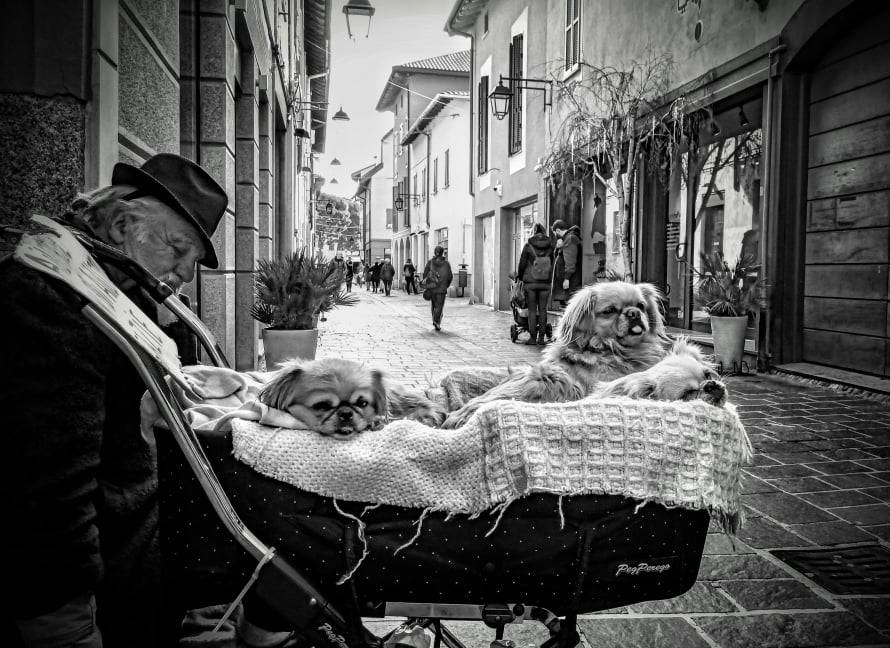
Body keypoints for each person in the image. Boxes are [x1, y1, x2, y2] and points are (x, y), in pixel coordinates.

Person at [0, 153, 227, 648]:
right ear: (124, 225)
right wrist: (62, 616)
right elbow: (49, 474)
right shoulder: (50, 296)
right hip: (92, 575)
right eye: (178, 249)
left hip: (133, 546)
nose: (185, 274)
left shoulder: (116, 289)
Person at [517, 223, 554, 345]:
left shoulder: (528, 246)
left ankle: (533, 338)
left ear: (533, 232)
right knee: (543, 310)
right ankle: (541, 338)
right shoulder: (550, 246)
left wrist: (520, 276)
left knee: (532, 310)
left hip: (531, 283)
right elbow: (552, 264)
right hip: (545, 283)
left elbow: (522, 264)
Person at [551, 219, 583, 304]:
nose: (555, 235)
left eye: (554, 233)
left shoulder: (570, 238)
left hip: (571, 282)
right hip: (569, 281)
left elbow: (570, 260)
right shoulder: (567, 238)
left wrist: (566, 278)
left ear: (557, 230)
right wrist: (558, 247)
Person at [422, 246, 453, 331]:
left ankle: (435, 320)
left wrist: (428, 283)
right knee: (439, 305)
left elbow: (425, 274)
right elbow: (450, 276)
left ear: (434, 252)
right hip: (441, 288)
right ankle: (436, 321)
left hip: (432, 288)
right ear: (442, 252)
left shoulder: (430, 262)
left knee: (434, 305)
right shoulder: (446, 264)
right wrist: (446, 285)